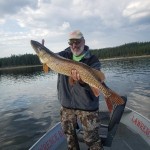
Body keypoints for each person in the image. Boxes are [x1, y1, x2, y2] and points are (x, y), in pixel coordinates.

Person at [57, 30, 104, 150]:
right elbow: (49, 59)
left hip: (87, 106)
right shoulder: (63, 55)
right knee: (70, 138)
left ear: (83, 41)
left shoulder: (92, 59)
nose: (74, 45)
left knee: (92, 140)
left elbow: (95, 82)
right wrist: (42, 52)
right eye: (71, 42)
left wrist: (82, 81)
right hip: (67, 104)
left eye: (77, 42)